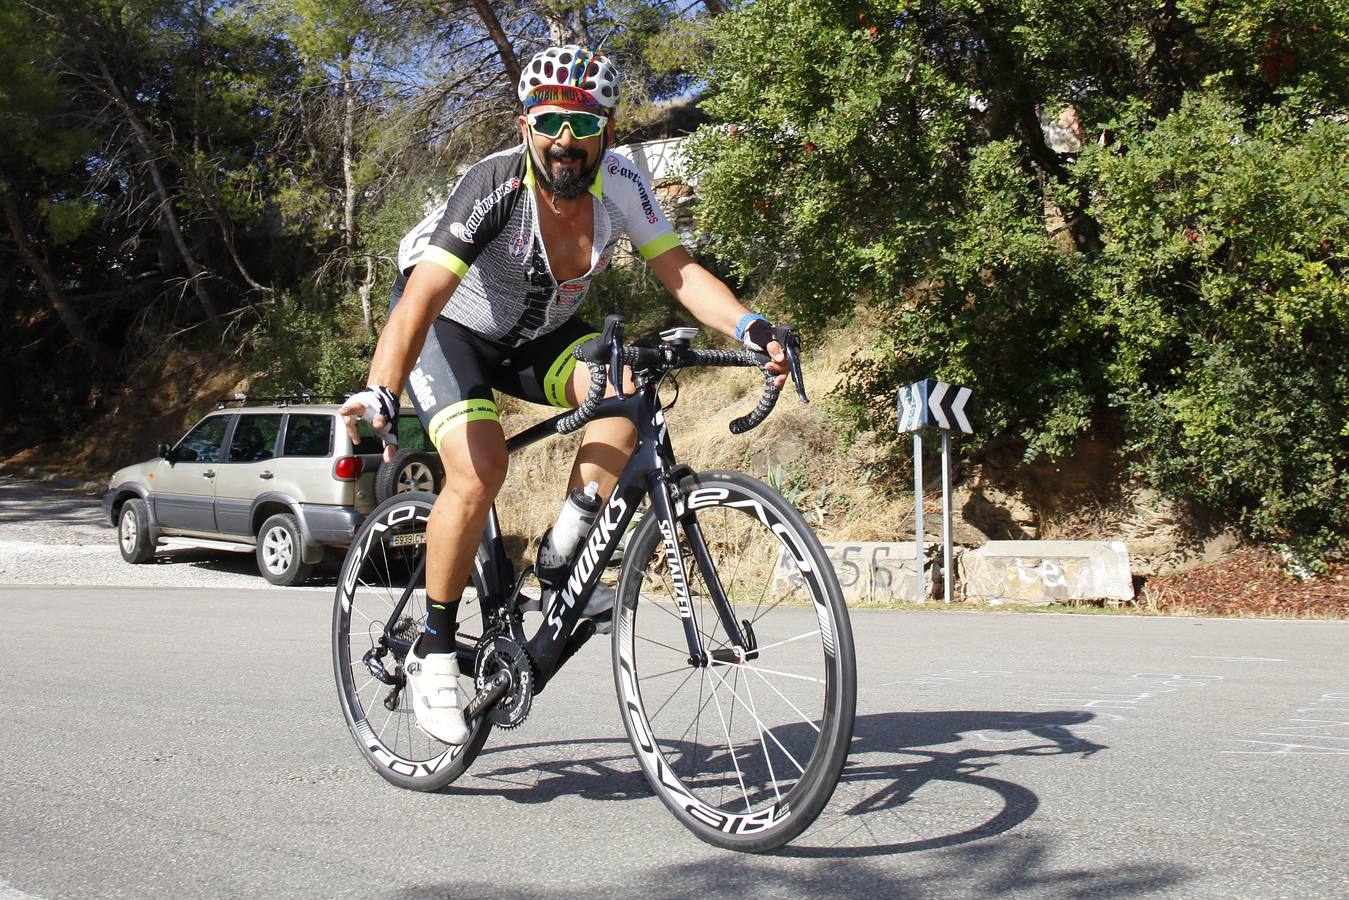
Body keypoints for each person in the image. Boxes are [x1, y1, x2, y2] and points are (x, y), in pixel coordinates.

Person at [340, 45, 788, 746]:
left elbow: (679, 271)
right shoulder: (494, 185)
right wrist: (380, 390)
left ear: (607, 131)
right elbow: (421, 299)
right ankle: (432, 649)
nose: (565, 141)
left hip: (533, 336)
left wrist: (751, 325)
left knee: (628, 384)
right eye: (550, 122)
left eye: (583, 125)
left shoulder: (620, 181)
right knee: (480, 467)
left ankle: (564, 550)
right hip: (449, 329)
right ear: (525, 126)